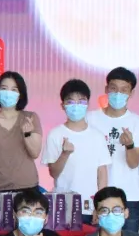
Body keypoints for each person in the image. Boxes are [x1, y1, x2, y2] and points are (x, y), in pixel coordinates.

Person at [87, 67, 139, 233]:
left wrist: (130, 145)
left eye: (124, 90)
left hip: (128, 197)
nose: (118, 94)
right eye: (114, 88)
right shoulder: (90, 118)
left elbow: (134, 163)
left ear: (131, 93)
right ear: (106, 89)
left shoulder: (138, 123)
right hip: (95, 196)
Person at [43, 79, 111, 222]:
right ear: (62, 105)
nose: (76, 106)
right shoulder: (55, 134)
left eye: (81, 101)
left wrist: (100, 205)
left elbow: (102, 173)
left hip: (90, 207)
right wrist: (65, 154)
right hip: (63, 206)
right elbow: (53, 173)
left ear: (88, 104)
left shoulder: (97, 136)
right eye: (71, 101)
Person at [0, 71, 43, 192]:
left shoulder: (30, 118)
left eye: (14, 90)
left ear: (20, 94)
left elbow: (35, 153)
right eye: (4, 88)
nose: (8, 93)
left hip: (27, 187)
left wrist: (27, 134)